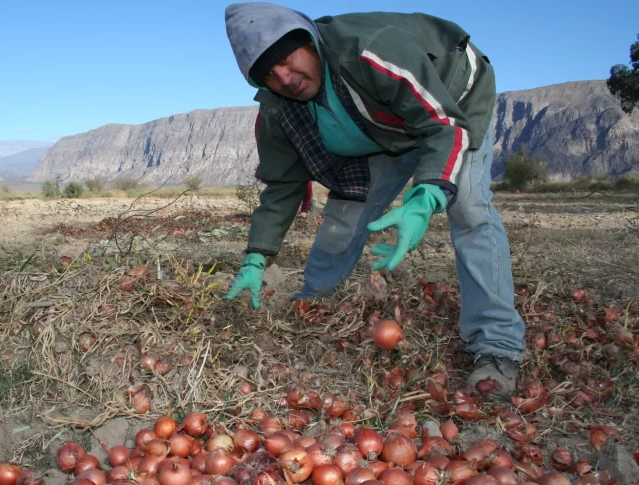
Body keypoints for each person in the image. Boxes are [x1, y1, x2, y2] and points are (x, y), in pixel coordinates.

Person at [222, 2, 525, 396]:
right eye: (267, 73)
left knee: (467, 204)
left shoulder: (369, 52)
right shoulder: (279, 109)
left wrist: (428, 193)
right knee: (348, 211)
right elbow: (282, 185)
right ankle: (313, 304)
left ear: (310, 40)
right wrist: (257, 255)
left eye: (286, 56)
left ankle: (497, 345)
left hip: (450, 102)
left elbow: (442, 126)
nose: (285, 76)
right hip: (383, 128)